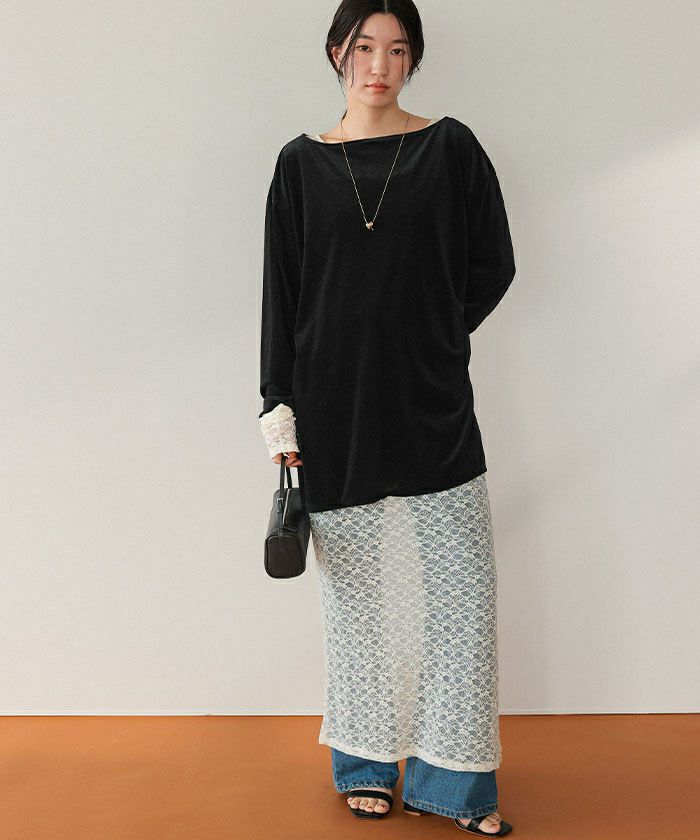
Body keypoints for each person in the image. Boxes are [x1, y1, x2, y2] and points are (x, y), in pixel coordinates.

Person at [258, 1, 516, 835]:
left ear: (413, 60)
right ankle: (365, 767)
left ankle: (456, 786)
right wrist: (280, 411)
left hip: (433, 404)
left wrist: (436, 337)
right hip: (334, 408)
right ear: (338, 51)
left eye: (398, 50)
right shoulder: (300, 165)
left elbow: (494, 261)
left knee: (462, 600)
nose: (380, 64)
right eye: (365, 46)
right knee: (358, 606)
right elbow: (281, 296)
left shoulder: (450, 148)